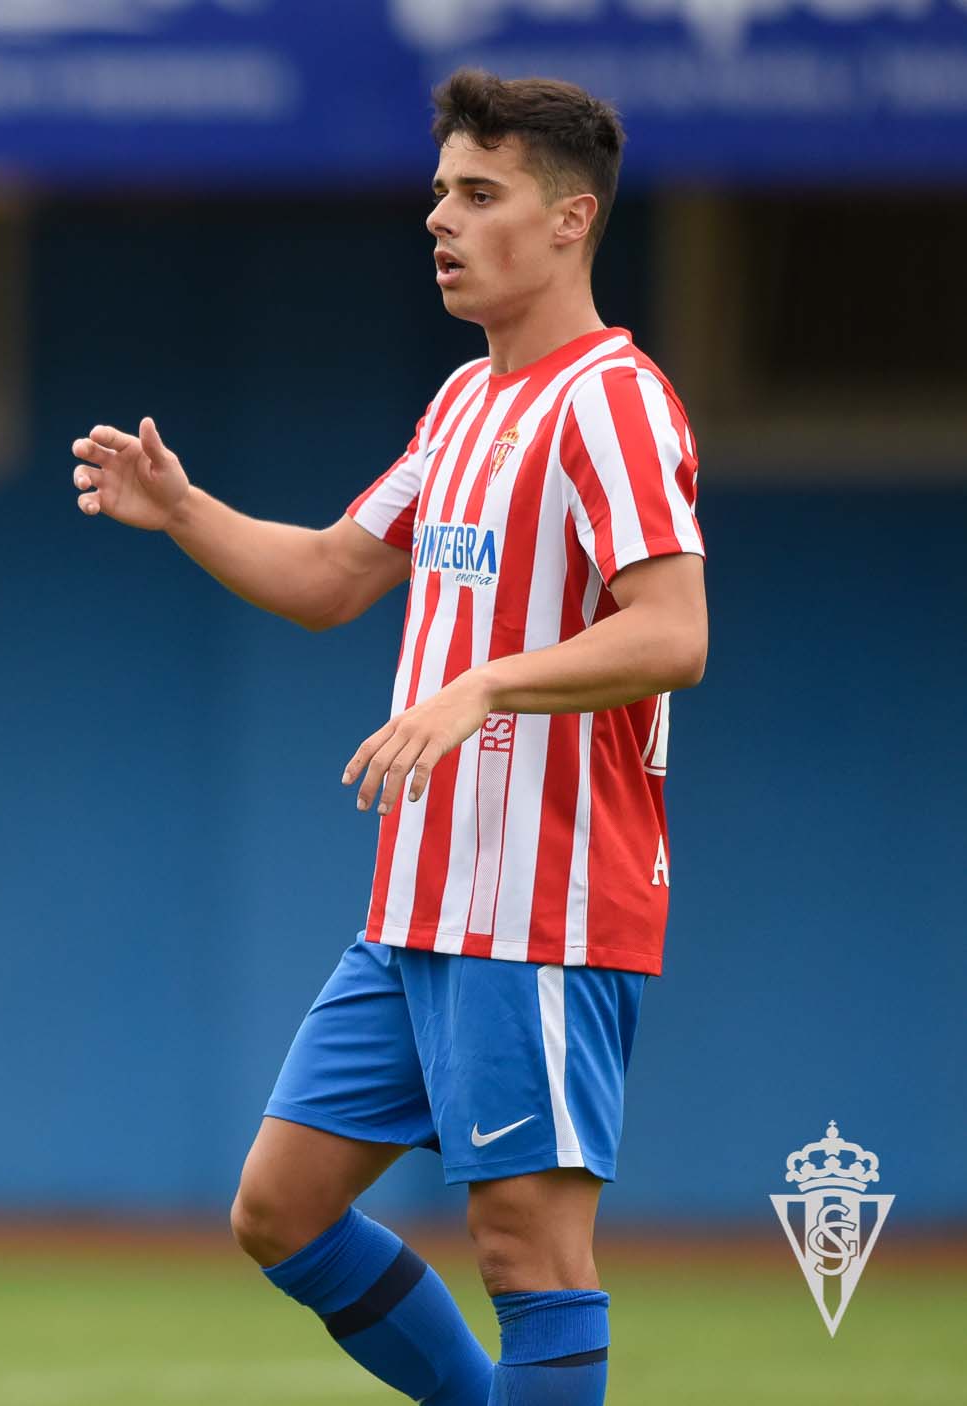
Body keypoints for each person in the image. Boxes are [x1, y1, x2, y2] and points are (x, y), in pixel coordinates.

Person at [70, 70, 706, 1406]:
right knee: (280, 1207)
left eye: (481, 195)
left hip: (543, 898)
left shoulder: (613, 401)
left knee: (529, 1248)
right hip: (417, 912)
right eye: (439, 194)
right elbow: (329, 574)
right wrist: (183, 510)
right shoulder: (464, 407)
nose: (442, 219)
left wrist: (483, 687)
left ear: (572, 219)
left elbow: (672, 632)